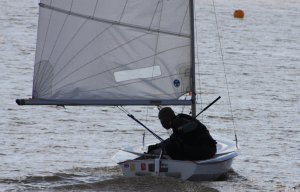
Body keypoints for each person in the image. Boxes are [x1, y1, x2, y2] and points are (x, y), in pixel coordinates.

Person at [147, 107, 217, 160]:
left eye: (161, 120)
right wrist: (156, 146)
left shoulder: (177, 122)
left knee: (170, 148)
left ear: (166, 119)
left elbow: (193, 125)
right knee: (172, 144)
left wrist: (182, 130)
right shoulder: (178, 121)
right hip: (208, 148)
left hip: (206, 150)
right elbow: (172, 139)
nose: (161, 123)